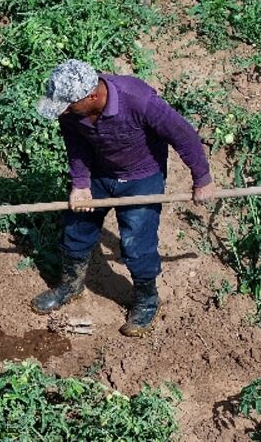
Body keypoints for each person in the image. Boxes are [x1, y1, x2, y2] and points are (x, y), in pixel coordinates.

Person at [31, 59, 214, 336]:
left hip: (142, 177)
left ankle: (146, 300)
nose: (64, 112)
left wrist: (202, 179)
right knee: (76, 229)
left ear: (92, 96)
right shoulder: (71, 112)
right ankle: (71, 284)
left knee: (136, 243)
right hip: (99, 174)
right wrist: (80, 184)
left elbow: (183, 135)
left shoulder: (138, 99)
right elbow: (76, 144)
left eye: (68, 106)